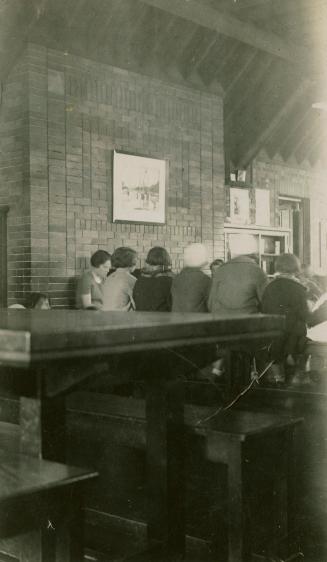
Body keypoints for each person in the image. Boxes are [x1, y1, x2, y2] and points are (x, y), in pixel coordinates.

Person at [261, 253, 310, 384]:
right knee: (302, 331)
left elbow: (264, 309)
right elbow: (305, 315)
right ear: (296, 267)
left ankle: (278, 376)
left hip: (273, 333)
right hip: (292, 335)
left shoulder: (269, 286)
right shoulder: (299, 288)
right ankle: (297, 371)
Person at [208, 234, 268, 315]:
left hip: (223, 322)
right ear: (253, 251)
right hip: (247, 322)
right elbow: (266, 303)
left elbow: (210, 304)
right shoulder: (257, 271)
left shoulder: (221, 270)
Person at [171, 243, 210, 312]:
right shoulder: (205, 280)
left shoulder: (177, 278)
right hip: (196, 321)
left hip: (176, 320)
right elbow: (212, 305)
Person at [133, 247, 174, 311]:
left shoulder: (139, 280)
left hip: (140, 319)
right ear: (166, 260)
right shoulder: (168, 281)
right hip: (162, 319)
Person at [102, 247, 137, 311]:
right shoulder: (132, 280)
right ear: (132, 262)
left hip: (104, 316)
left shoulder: (108, 278)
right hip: (120, 318)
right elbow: (136, 305)